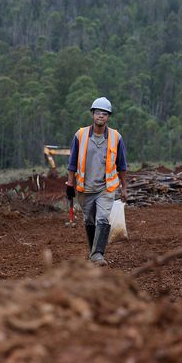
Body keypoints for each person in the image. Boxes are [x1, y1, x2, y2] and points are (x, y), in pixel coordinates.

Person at [65, 97, 128, 266]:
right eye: (98, 113)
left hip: (106, 188)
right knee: (89, 221)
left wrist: (124, 188)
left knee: (102, 219)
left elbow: (122, 165)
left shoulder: (116, 137)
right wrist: (70, 184)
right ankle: (93, 251)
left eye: (105, 114)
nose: (101, 116)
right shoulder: (80, 135)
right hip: (85, 189)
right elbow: (72, 162)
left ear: (108, 117)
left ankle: (98, 254)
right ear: (93, 114)